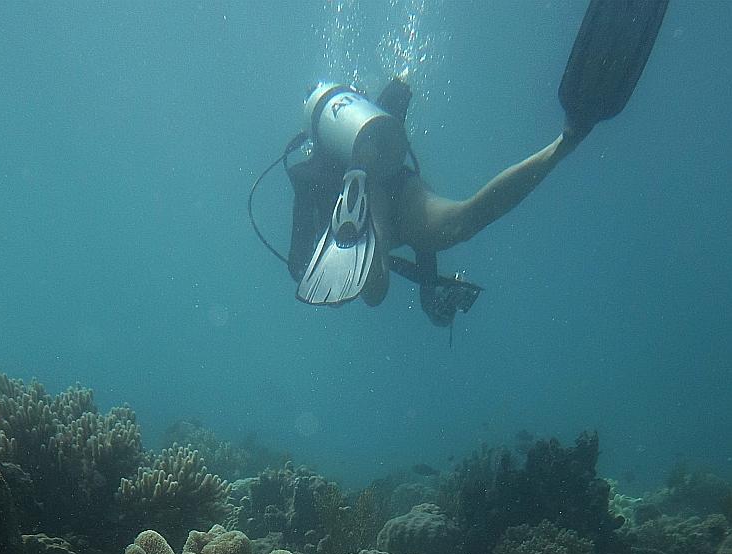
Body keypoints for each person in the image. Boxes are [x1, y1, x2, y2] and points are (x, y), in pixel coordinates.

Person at [252, 0, 669, 329]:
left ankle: (362, 199)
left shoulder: (313, 164)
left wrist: (424, 284)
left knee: (375, 283)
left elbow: (299, 262)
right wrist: (428, 284)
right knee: (464, 220)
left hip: (365, 197)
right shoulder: (377, 135)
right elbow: (426, 244)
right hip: (398, 187)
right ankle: (564, 143)